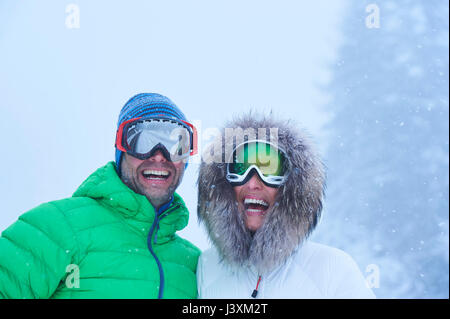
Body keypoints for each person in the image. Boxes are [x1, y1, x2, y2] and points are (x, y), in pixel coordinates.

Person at [0, 93, 200, 298]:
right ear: (121, 151)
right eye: (143, 141)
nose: (159, 155)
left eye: (175, 145)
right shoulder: (57, 226)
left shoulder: (194, 266)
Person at [196, 112, 376, 298]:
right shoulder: (207, 268)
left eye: (269, 169)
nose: (252, 184)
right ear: (224, 186)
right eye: (240, 168)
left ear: (292, 188)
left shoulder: (333, 269)